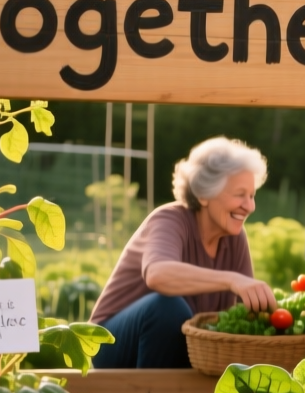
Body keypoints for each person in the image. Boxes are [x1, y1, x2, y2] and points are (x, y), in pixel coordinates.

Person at [91, 137, 270, 368]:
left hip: (180, 343)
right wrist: (232, 280)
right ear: (204, 194)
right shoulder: (170, 219)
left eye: (252, 195)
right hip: (111, 341)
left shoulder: (235, 237)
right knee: (167, 307)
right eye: (239, 195)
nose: (250, 206)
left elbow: (244, 311)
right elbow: (157, 274)